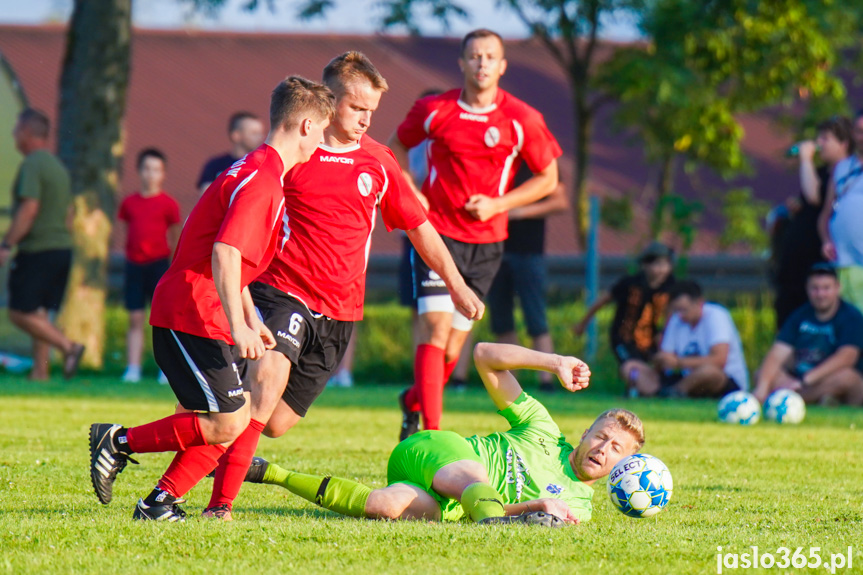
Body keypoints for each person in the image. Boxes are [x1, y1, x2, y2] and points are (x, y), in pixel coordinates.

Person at [199, 52, 483, 521]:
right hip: (284, 291)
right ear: (330, 104)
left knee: (276, 423)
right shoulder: (295, 155)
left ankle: (216, 425)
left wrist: (455, 283)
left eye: (372, 110)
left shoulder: (379, 161)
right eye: (357, 109)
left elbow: (419, 226)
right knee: (266, 385)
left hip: (341, 311)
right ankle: (219, 503)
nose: (366, 119)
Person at [87, 75, 335, 521]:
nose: (321, 141)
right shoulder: (263, 179)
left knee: (226, 420)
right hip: (191, 310)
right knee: (228, 421)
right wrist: (240, 325)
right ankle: (118, 442)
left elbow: (234, 259)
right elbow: (225, 252)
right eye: (321, 129)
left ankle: (159, 503)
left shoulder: (258, 169)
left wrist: (250, 317)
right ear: (304, 126)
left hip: (208, 311)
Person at [239, 343, 642, 526]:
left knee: (383, 505)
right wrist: (553, 361)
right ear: (585, 432)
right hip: (434, 451)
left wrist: (529, 508)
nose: (604, 449)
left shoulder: (581, 508)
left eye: (616, 449)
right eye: (602, 436)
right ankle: (489, 520)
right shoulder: (543, 429)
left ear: (621, 466)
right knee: (473, 479)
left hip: (447, 505)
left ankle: (265, 472)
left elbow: (524, 510)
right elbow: (484, 355)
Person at [389, 29, 561, 438]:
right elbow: (393, 148)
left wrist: (499, 204)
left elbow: (548, 178)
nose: (482, 63)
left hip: (486, 244)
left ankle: (412, 400)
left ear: (502, 66)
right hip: (436, 236)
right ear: (462, 64)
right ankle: (432, 434)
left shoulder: (522, 118)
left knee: (450, 350)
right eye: (474, 56)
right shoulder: (434, 109)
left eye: (490, 57)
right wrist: (413, 194)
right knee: (433, 329)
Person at [0, 108, 85, 380]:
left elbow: (29, 209)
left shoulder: (32, 165)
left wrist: (6, 243)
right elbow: (70, 213)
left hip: (39, 249)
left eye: (16, 130)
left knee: (18, 313)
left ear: (27, 133)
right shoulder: (57, 167)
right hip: (62, 248)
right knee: (39, 313)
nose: (14, 136)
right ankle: (40, 372)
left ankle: (69, 347)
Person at [487, 164, 569, 393]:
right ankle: (510, 385)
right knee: (502, 321)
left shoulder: (539, 162)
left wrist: (515, 211)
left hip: (529, 253)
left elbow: (560, 201)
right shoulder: (499, 157)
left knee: (536, 320)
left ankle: (547, 383)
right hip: (496, 251)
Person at [774, 116, 852, 328]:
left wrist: (806, 159)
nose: (819, 143)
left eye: (826, 138)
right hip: (795, 268)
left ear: (844, 143)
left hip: (818, 260)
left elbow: (814, 196)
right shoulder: (821, 172)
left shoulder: (845, 175)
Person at [573, 242, 675, 397]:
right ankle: (636, 390)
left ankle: (652, 390)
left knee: (655, 363)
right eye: (657, 264)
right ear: (645, 265)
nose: (662, 269)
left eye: (666, 264)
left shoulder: (670, 287)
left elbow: (671, 313)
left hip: (649, 338)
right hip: (623, 338)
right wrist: (584, 323)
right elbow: (602, 301)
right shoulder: (630, 284)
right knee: (630, 364)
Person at [753, 264, 863, 405]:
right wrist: (761, 390)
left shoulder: (851, 317)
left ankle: (791, 399)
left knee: (849, 378)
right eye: (815, 288)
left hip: (823, 378)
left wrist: (805, 380)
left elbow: (846, 357)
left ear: (837, 288)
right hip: (798, 381)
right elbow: (778, 352)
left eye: (826, 288)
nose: (820, 294)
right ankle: (817, 399)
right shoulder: (799, 315)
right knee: (762, 374)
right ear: (807, 289)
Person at [117, 148, 181, 383]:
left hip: (159, 266)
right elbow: (127, 231)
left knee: (161, 319)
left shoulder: (168, 204)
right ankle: (133, 367)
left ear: (163, 174)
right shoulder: (129, 203)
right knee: (135, 318)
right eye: (146, 168)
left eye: (156, 170)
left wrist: (173, 267)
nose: (151, 174)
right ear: (139, 171)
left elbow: (176, 236)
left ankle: (164, 369)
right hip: (134, 265)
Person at [648, 280, 749, 398]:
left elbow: (719, 360)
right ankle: (668, 392)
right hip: (685, 376)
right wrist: (661, 359)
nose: (680, 315)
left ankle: (674, 392)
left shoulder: (717, 316)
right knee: (634, 368)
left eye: (684, 309)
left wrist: (678, 362)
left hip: (725, 379)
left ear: (699, 303)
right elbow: (667, 356)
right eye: (676, 310)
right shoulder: (676, 318)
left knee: (709, 372)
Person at [820, 111, 863, 312]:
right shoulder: (842, 168)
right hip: (843, 264)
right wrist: (826, 240)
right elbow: (826, 214)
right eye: (859, 131)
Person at [196, 111, 265, 194]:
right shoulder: (215, 165)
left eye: (260, 134)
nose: (260, 138)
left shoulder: (263, 165)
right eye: (254, 133)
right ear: (236, 135)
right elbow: (205, 197)